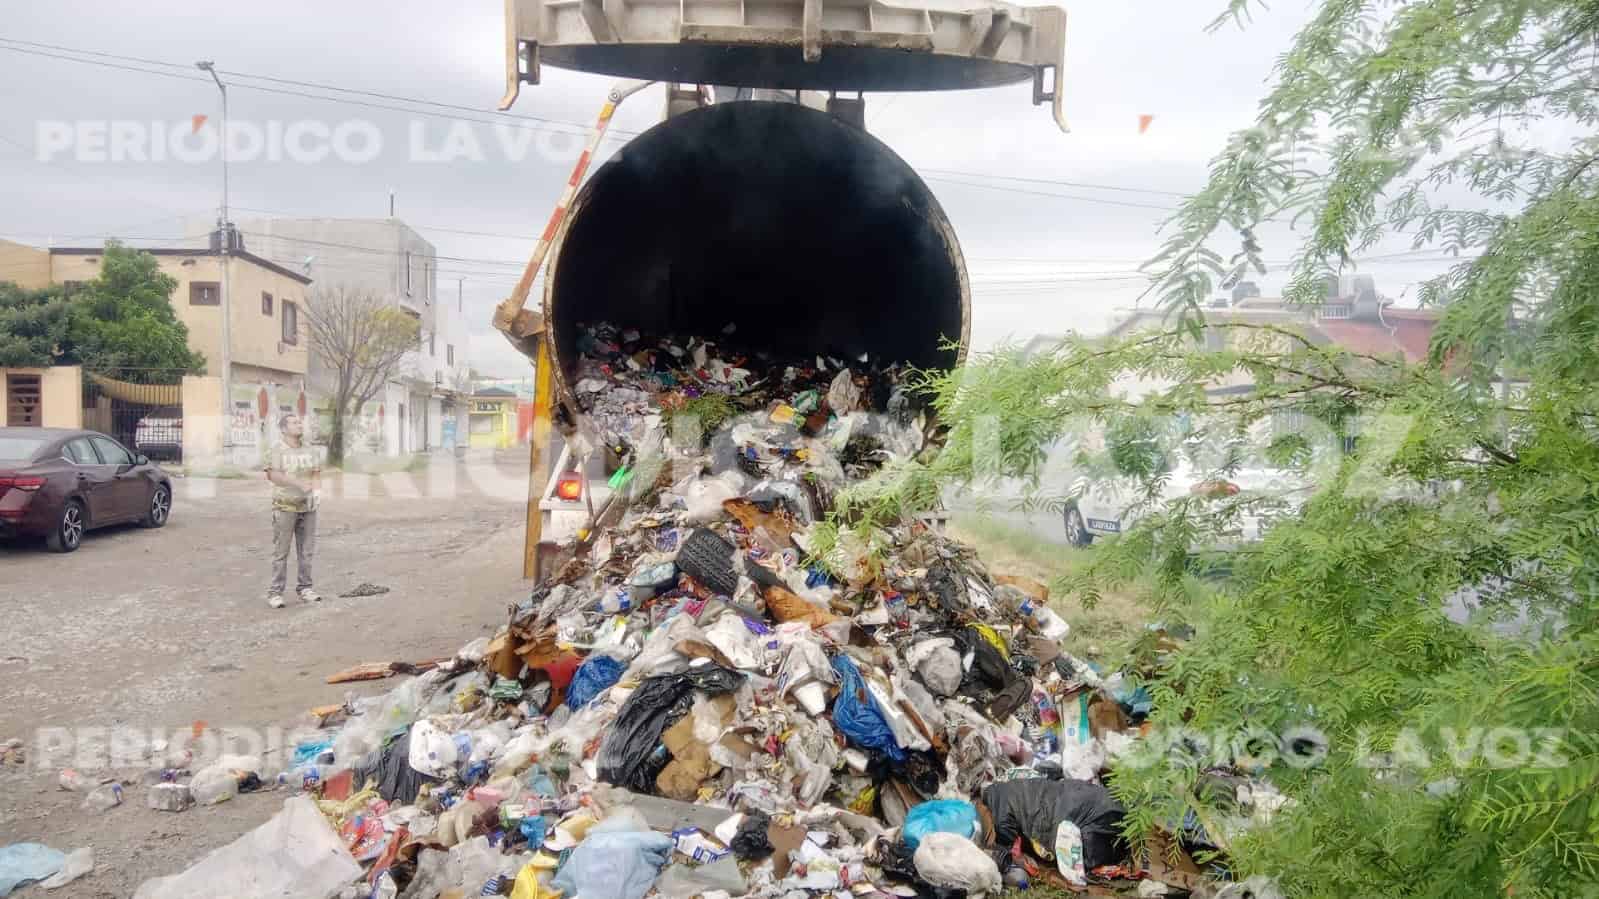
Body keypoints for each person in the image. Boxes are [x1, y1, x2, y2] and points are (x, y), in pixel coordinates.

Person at [264, 413, 323, 608]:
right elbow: (273, 475)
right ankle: (275, 592)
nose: (299, 425)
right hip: (285, 506)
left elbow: (316, 473)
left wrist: (317, 492)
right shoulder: (277, 449)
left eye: (300, 422)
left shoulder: (310, 450)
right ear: (283, 429)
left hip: (308, 507)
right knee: (281, 551)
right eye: (294, 423)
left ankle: (305, 588)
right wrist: (298, 483)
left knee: (306, 551)